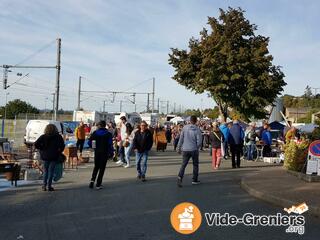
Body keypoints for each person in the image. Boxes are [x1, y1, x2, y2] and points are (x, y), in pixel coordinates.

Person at [34, 124, 65, 191]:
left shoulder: (43, 136)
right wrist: (59, 151)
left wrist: (42, 148)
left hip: (45, 156)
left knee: (46, 171)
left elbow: (36, 144)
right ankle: (49, 186)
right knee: (51, 171)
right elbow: (62, 146)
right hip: (54, 156)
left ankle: (44, 186)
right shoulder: (58, 137)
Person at [177, 115, 202, 187]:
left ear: (190, 120)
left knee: (183, 164)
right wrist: (197, 147)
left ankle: (180, 177)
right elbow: (199, 141)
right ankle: (195, 179)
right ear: (196, 121)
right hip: (194, 149)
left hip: (185, 149)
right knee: (195, 165)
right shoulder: (197, 129)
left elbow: (181, 138)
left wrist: (179, 148)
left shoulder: (184, 128)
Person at [88, 121, 114, 190]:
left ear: (99, 126)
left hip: (97, 152)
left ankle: (92, 181)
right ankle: (98, 184)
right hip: (104, 152)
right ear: (105, 126)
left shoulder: (95, 133)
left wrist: (94, 148)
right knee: (102, 168)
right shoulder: (108, 134)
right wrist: (111, 153)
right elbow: (110, 144)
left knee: (96, 167)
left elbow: (90, 142)